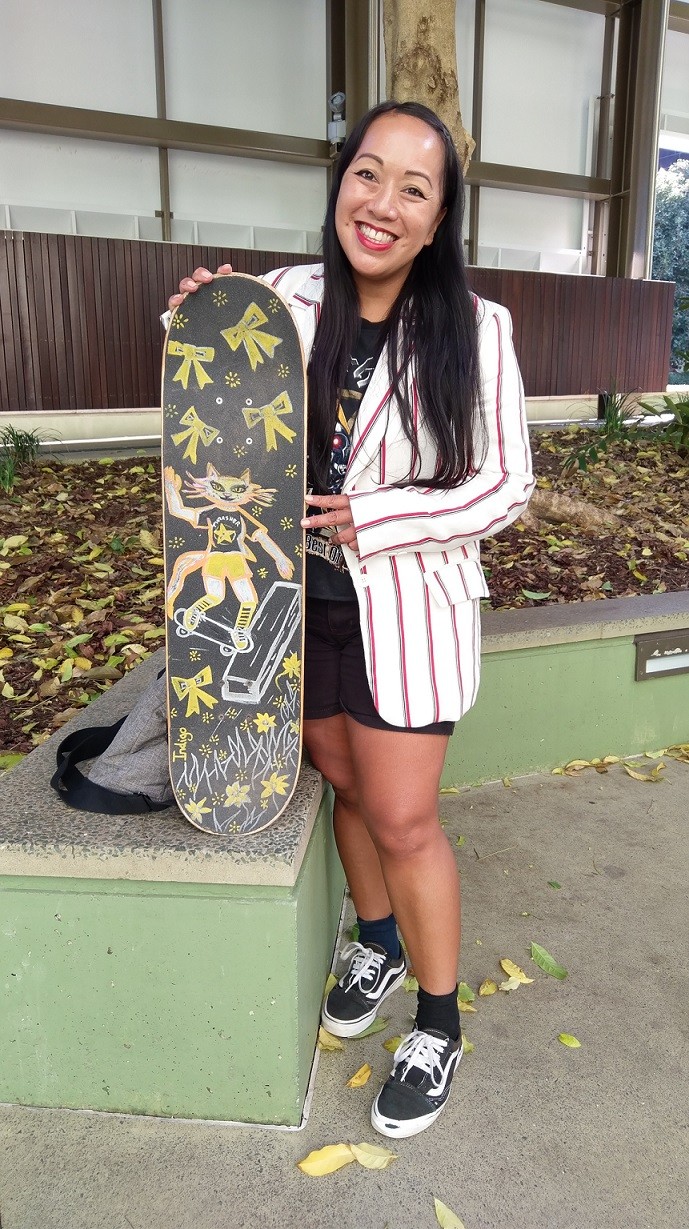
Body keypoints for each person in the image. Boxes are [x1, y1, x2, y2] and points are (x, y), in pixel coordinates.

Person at [167, 100, 533, 1139]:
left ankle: (436, 1018)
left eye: (411, 188)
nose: (380, 202)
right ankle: (371, 934)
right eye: (366, 174)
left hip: (403, 608)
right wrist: (201, 315)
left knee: (405, 815)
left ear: (437, 218)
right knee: (339, 780)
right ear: (340, 182)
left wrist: (377, 514)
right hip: (295, 603)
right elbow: (216, 400)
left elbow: (505, 486)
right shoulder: (281, 298)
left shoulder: (475, 328)